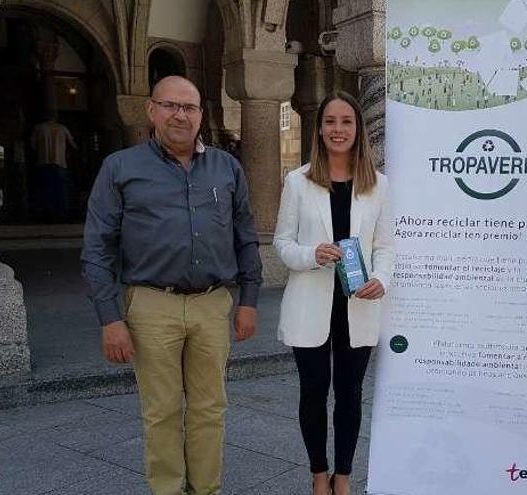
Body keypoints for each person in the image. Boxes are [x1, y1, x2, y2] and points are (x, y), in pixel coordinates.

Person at [81, 75, 262, 495]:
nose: (180, 115)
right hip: (149, 305)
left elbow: (246, 236)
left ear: (202, 115)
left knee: (209, 409)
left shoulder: (226, 168)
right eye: (170, 106)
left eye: (190, 107)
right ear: (151, 111)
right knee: (160, 412)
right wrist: (110, 319)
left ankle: (206, 489)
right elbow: (97, 248)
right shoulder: (120, 168)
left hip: (212, 304)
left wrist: (249, 299)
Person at [273, 91, 393, 495]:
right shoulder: (299, 181)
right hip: (311, 305)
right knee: (312, 393)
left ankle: (343, 475)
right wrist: (313, 254)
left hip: (357, 306)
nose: (337, 130)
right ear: (319, 128)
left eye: (346, 122)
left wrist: (382, 278)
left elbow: (386, 247)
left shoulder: (378, 186)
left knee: (350, 395)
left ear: (358, 130)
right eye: (330, 122)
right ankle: (318, 474)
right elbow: (282, 244)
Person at [30, 112, 76, 222]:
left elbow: (32, 145)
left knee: (46, 190)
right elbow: (73, 144)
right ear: (55, 118)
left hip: (44, 162)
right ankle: (62, 215)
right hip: (60, 163)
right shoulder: (62, 128)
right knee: (61, 191)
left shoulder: (39, 128)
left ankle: (47, 215)